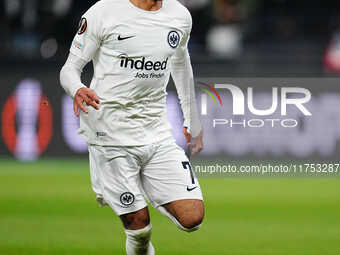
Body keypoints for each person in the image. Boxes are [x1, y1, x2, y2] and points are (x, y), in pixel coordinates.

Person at [60, 0, 204, 254]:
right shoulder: (103, 12)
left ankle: (142, 187)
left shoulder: (180, 15)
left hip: (156, 130)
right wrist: (77, 88)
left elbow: (181, 64)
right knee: (139, 228)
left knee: (193, 217)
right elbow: (69, 69)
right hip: (109, 132)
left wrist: (192, 117)